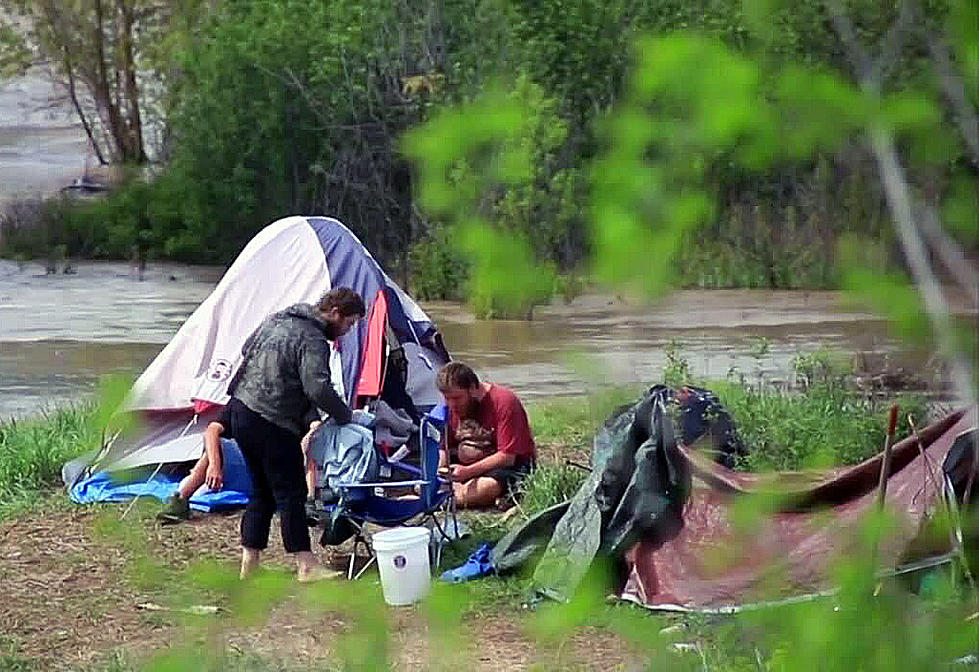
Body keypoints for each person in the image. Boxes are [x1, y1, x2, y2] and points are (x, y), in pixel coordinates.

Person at [226, 287, 365, 581]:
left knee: (261, 491)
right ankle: (306, 565)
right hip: (272, 419)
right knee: (291, 491)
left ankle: (249, 565)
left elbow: (246, 349)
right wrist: (345, 416)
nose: (346, 331)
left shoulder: (278, 318)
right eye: (348, 324)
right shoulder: (314, 338)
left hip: (240, 410)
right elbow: (317, 388)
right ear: (335, 313)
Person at [156, 416, 322, 524]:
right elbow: (212, 430)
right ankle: (181, 500)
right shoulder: (245, 402)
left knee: (309, 449)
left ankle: (308, 501)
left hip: (279, 472)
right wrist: (215, 465)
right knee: (214, 449)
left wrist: (309, 434)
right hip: (247, 467)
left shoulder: (297, 402)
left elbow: (315, 424)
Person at [437, 362, 536, 509]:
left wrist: (468, 472)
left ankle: (444, 498)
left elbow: (507, 457)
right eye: (447, 398)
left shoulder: (504, 401)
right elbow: (445, 447)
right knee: (424, 483)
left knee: (486, 488)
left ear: (473, 388)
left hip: (507, 467)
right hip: (466, 467)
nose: (452, 404)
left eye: (457, 398)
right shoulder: (451, 406)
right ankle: (450, 494)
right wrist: (440, 470)